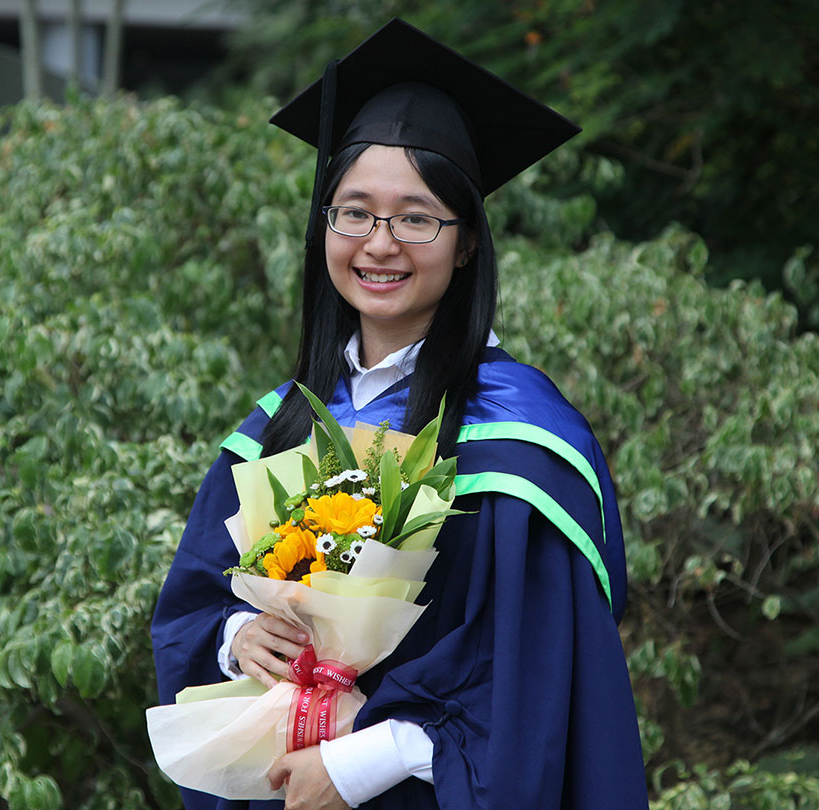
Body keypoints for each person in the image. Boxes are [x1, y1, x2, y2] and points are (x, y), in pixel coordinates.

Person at [150, 19, 649, 810]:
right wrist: (238, 639)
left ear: (468, 242)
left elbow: (540, 676)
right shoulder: (278, 423)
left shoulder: (523, 440)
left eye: (417, 217)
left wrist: (357, 764)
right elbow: (191, 607)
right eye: (353, 212)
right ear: (325, 227)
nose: (379, 244)